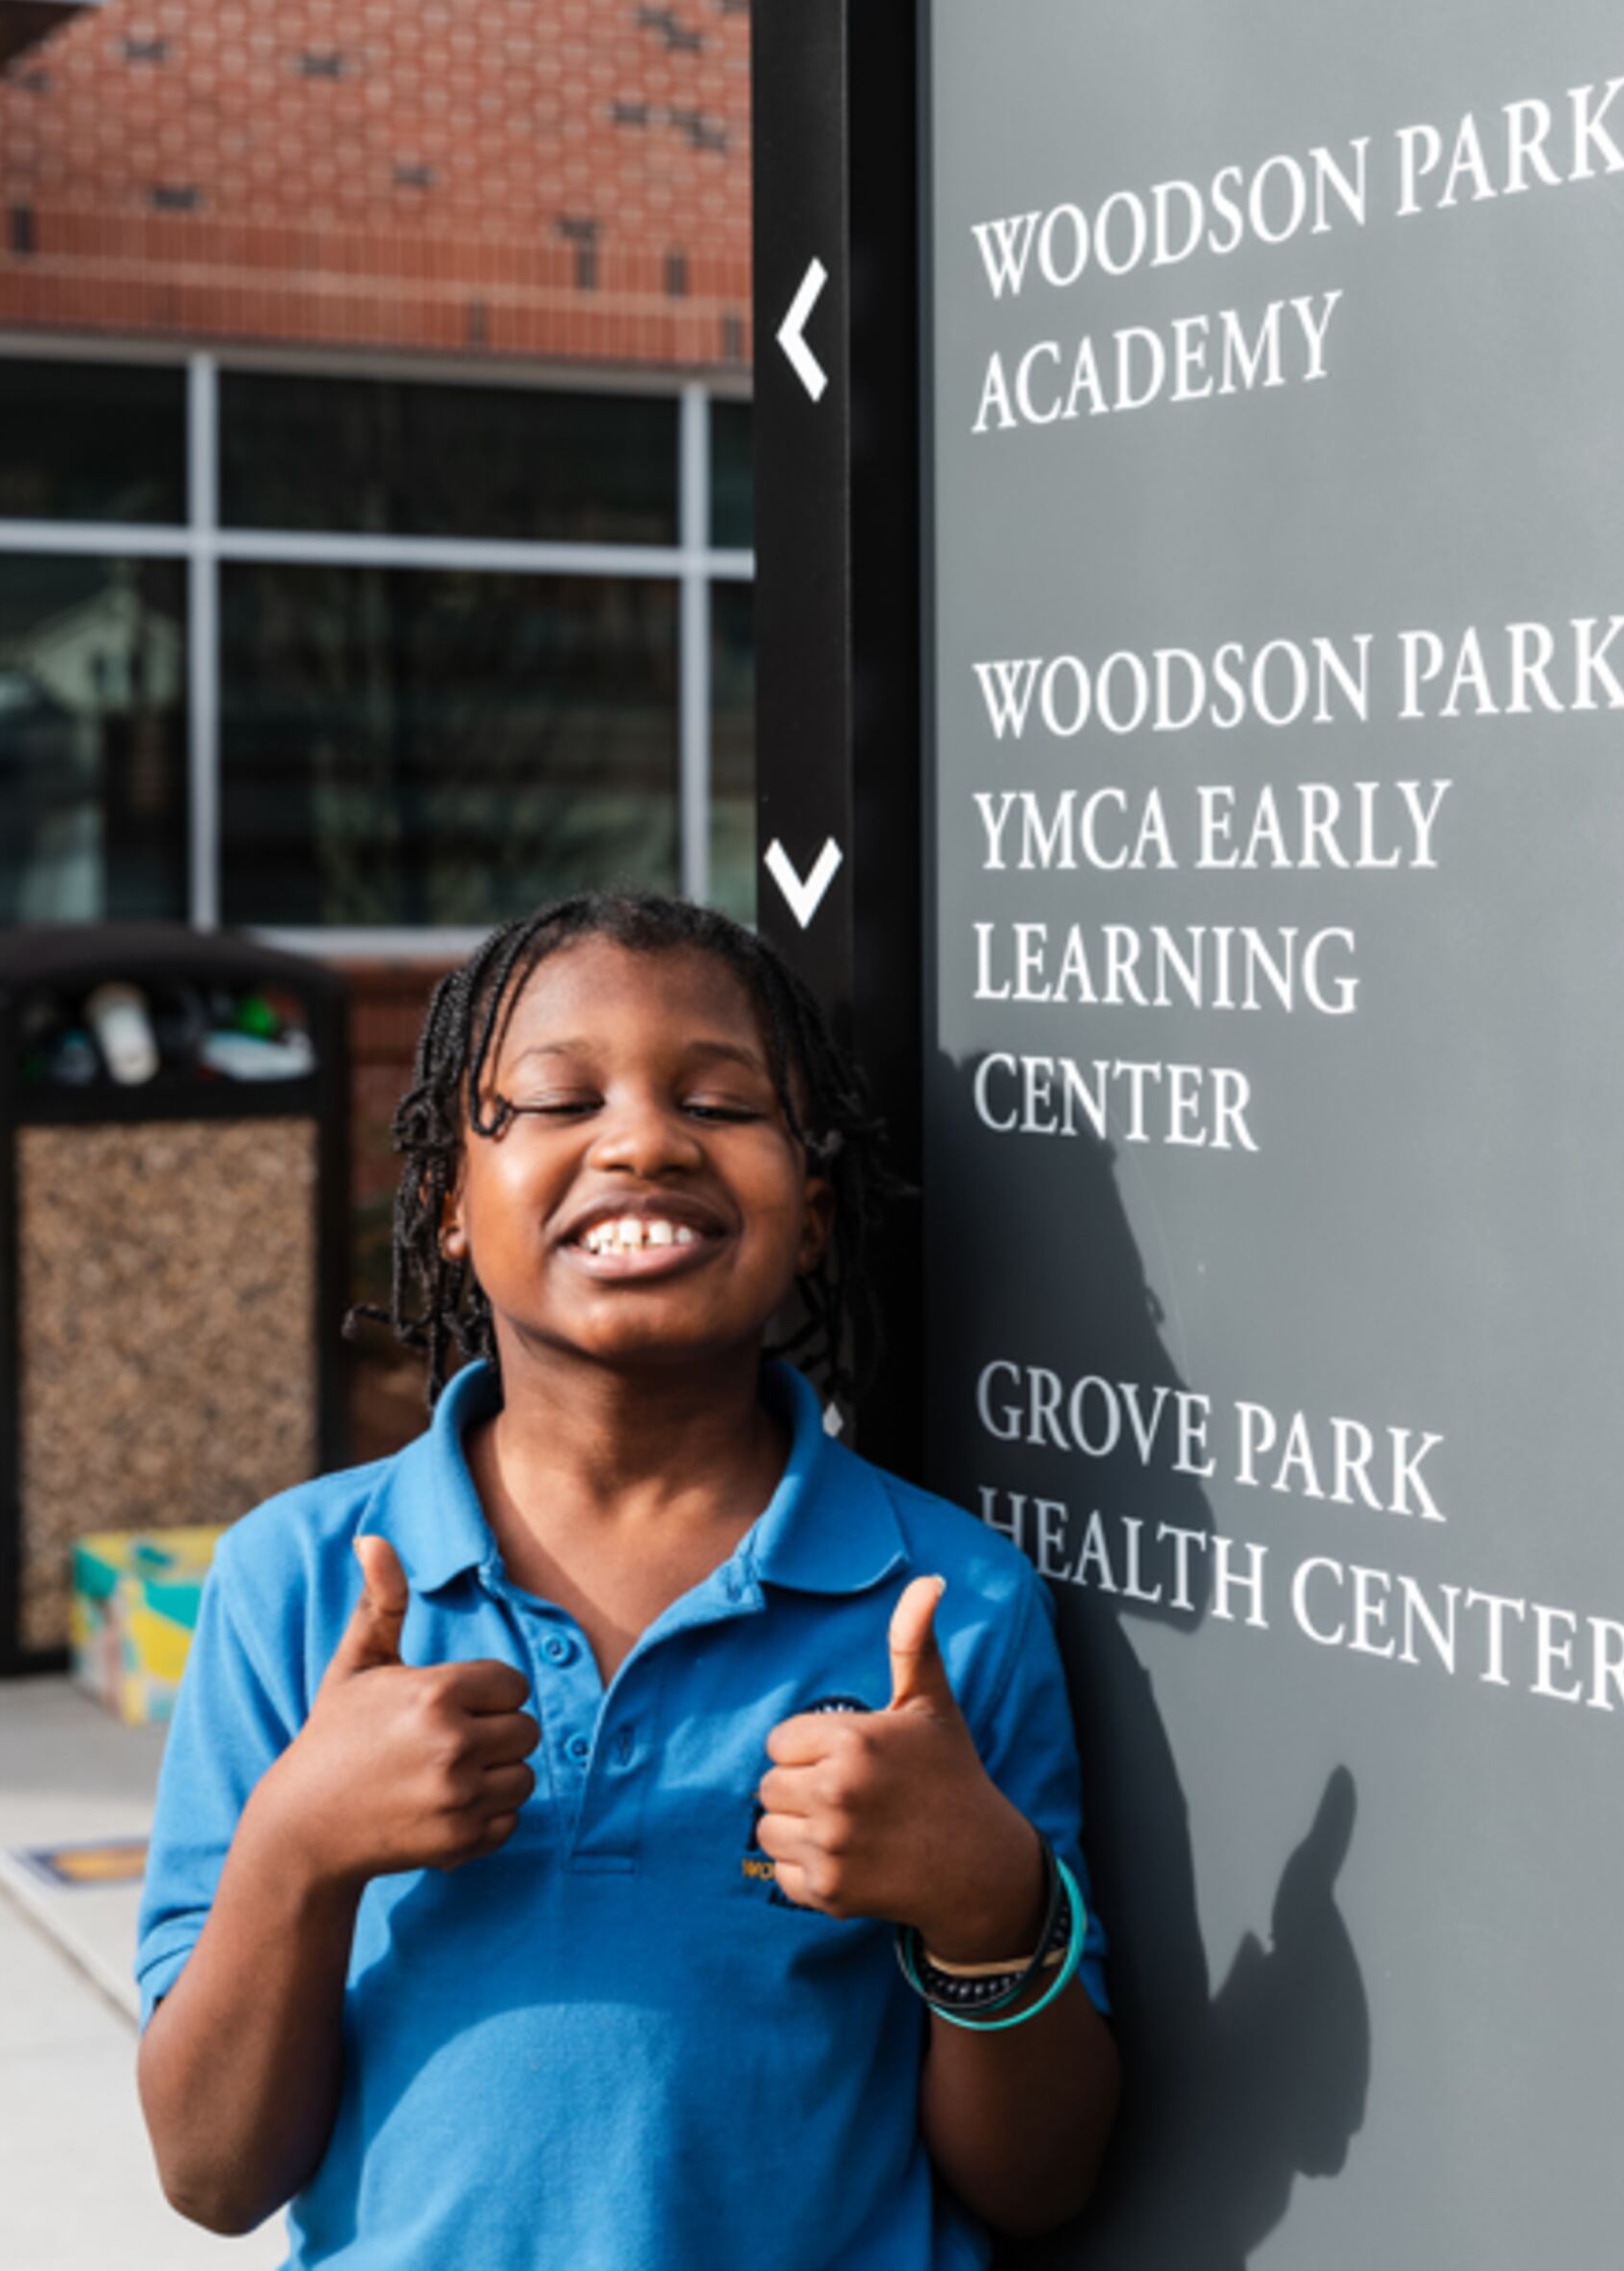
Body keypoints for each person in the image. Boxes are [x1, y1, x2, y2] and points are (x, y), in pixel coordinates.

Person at [135, 891, 1119, 2264]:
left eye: (721, 1102)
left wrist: (983, 1900)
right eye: (557, 1099)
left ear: (816, 1214)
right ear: (446, 1207)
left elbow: (1041, 2179)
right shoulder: (291, 1580)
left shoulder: (952, 1602)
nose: (647, 1140)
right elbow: (211, 2166)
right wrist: (301, 1845)